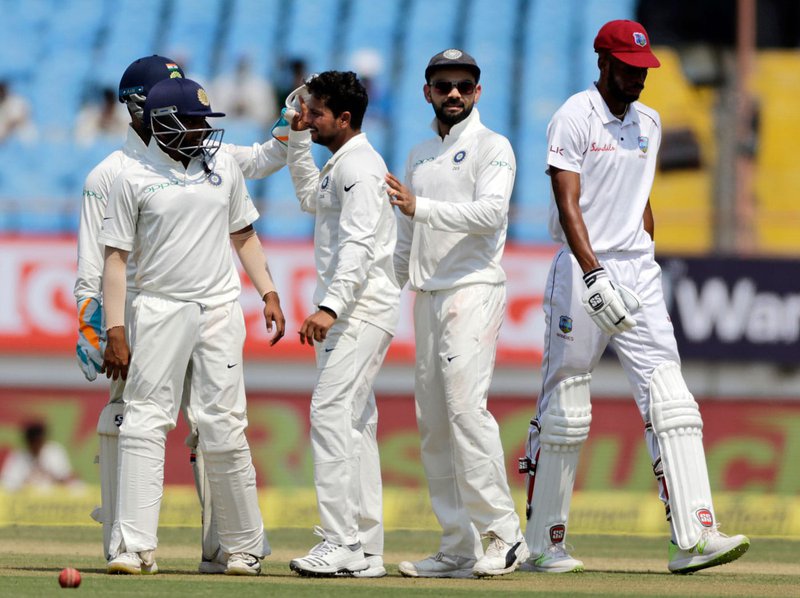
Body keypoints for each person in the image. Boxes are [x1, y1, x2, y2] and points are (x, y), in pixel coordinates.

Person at [518, 20, 750, 575]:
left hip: (637, 272)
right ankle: (543, 545)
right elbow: (567, 201)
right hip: (581, 271)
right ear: (602, 62)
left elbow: (641, 199)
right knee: (566, 407)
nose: (638, 80)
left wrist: (643, 255)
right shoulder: (573, 116)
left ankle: (694, 537)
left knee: (671, 398)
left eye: (644, 70)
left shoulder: (650, 121)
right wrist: (595, 272)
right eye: (628, 68)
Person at [74, 55, 287, 573]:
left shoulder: (219, 164)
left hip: (217, 307)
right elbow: (109, 262)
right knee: (143, 420)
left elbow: (243, 230)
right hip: (157, 307)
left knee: (224, 426)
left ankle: (240, 547)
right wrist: (104, 328)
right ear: (155, 117)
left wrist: (268, 291)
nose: (202, 132)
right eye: (191, 120)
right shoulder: (119, 176)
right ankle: (133, 546)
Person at [386, 49, 528, 578]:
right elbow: (406, 236)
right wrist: (386, 289)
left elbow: (491, 214)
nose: (453, 94)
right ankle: (457, 546)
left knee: (467, 410)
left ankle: (503, 535)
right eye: (443, 85)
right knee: (434, 424)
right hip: (427, 294)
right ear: (427, 91)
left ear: (477, 92)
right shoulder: (420, 155)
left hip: (472, 288)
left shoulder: (495, 147)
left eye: (463, 86)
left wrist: (420, 207)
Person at [283, 71, 400, 578]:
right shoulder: (342, 164)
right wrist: (295, 139)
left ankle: (340, 539)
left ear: (344, 118)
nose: (306, 115)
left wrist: (329, 306)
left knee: (330, 414)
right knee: (354, 426)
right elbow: (311, 196)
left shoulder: (362, 168)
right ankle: (367, 548)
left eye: (315, 112)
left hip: (358, 309)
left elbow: (358, 245)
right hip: (353, 308)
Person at [0, 422, 79, 492]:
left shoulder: (54, 451)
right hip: (27, 501)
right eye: (34, 442)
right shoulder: (19, 456)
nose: (37, 445)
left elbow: (67, 477)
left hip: (55, 500)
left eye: (39, 441)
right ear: (28, 441)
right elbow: (7, 483)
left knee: (77, 487)